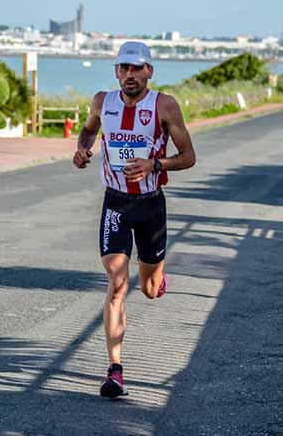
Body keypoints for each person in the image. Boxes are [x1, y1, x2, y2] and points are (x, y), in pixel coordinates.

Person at [73, 41, 196, 399]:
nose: (130, 75)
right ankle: (115, 371)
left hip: (150, 204)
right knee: (116, 284)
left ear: (149, 72)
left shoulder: (164, 105)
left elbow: (188, 156)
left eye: (137, 68)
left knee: (148, 289)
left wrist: (156, 164)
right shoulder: (102, 102)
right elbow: (88, 130)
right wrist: (82, 149)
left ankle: (156, 276)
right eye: (124, 68)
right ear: (116, 72)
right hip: (115, 202)